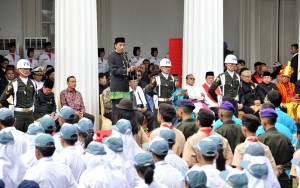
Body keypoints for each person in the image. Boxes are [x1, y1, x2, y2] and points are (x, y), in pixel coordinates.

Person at [258, 108, 294, 187]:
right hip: (283, 180)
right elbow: (293, 159)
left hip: (267, 180)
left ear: (264, 122)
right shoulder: (285, 138)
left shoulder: (261, 139)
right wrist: (281, 167)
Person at [0, 59, 35, 132]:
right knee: (17, 134)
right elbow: (2, 99)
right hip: (18, 114)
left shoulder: (32, 83)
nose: (27, 70)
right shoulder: (13, 83)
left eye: (28, 69)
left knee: (30, 135)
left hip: (30, 114)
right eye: (24, 69)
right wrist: (11, 105)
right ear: (18, 70)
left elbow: (35, 98)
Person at [108, 37, 135, 124]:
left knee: (125, 110)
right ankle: (116, 130)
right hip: (117, 87)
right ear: (115, 45)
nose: (122, 47)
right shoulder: (111, 56)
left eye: (123, 45)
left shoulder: (125, 56)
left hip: (125, 87)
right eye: (120, 45)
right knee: (117, 111)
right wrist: (127, 70)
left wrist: (132, 75)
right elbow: (114, 70)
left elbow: (128, 70)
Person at [145, 58, 175, 128]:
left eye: (169, 67)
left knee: (169, 122)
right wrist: (155, 95)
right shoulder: (156, 78)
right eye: (166, 67)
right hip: (160, 103)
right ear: (161, 68)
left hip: (169, 102)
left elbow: (173, 89)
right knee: (158, 123)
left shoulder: (172, 78)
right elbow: (148, 90)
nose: (168, 68)